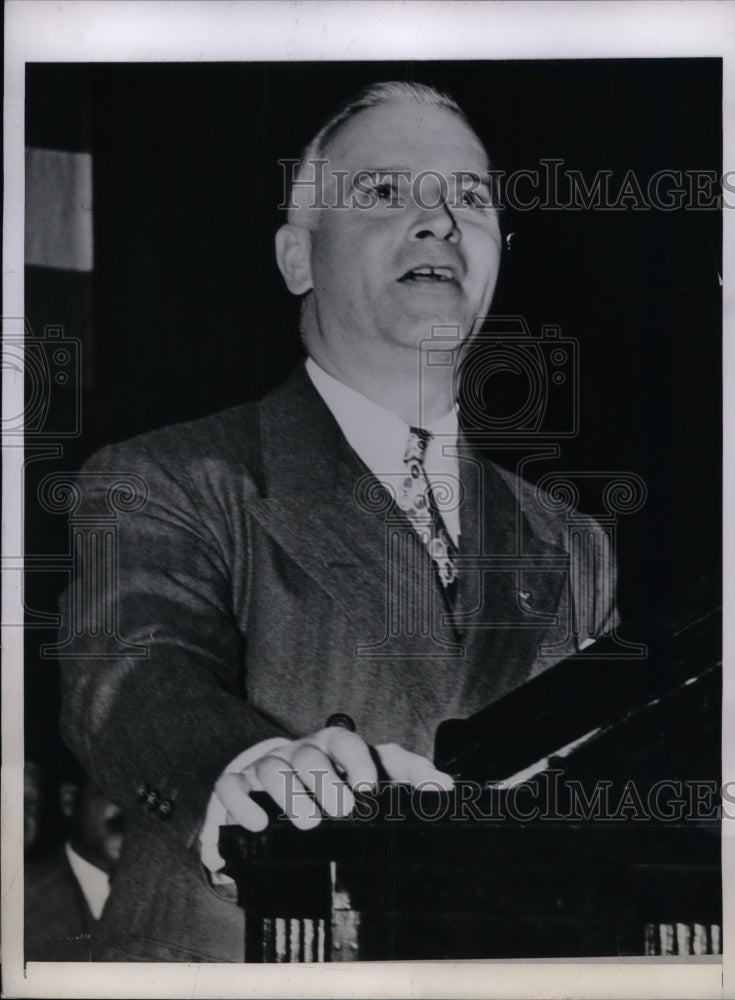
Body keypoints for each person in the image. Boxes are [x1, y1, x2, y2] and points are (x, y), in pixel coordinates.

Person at [59, 81, 617, 962]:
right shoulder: (166, 478)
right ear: (296, 257)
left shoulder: (570, 544)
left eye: (468, 198)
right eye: (386, 192)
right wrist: (240, 771)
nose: (439, 221)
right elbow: (130, 681)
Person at [25, 766, 124, 961]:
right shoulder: (22, 899)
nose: (127, 807)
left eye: (140, 795)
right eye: (112, 789)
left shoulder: (167, 896)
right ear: (69, 800)